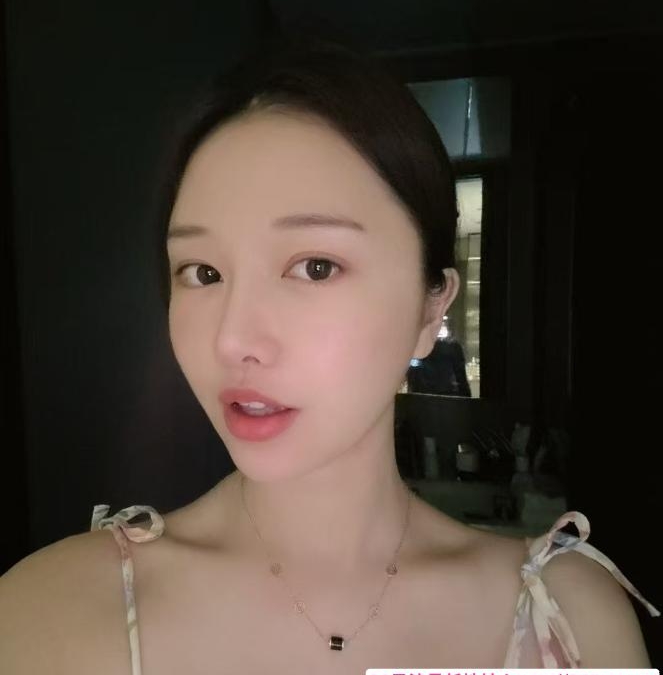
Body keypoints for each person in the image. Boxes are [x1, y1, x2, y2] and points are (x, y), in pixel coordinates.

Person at [0, 33, 658, 673]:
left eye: (315, 266)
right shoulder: (50, 614)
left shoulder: (565, 626)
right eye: (202, 272)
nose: (232, 339)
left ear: (431, 308)